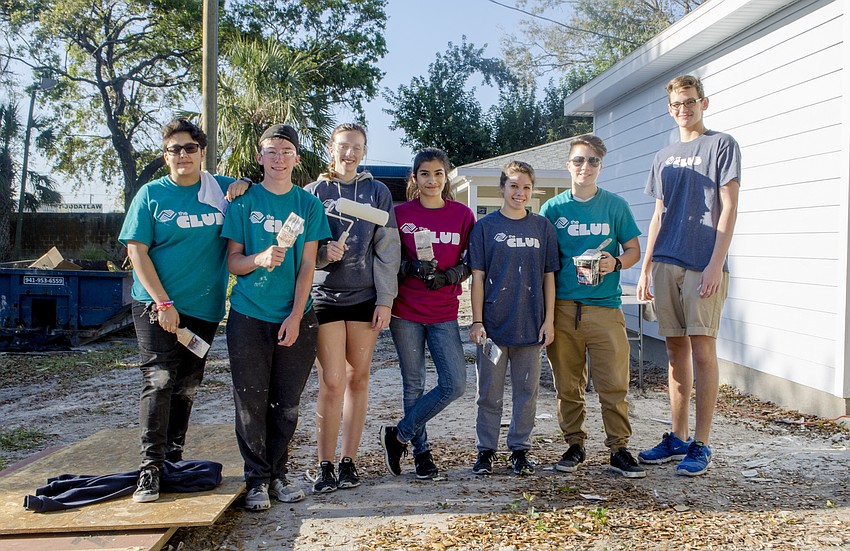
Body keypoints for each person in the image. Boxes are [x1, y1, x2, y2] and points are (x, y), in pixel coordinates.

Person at [119, 118, 250, 503]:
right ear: (165, 155)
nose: (182, 155)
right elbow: (136, 251)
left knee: (188, 385)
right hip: (155, 306)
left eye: (190, 148)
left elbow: (258, 198)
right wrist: (163, 303)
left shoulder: (220, 189)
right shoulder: (151, 194)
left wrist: (244, 186)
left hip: (204, 311)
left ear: (201, 152)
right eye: (174, 149)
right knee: (159, 379)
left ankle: (173, 459)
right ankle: (150, 467)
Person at [221, 124, 331, 510]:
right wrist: (259, 259)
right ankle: (255, 482)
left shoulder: (307, 205)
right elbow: (233, 262)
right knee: (251, 402)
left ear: (296, 158)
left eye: (286, 152)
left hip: (295, 317)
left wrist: (297, 316)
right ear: (259, 157)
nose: (279, 158)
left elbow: (307, 266)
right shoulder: (243, 202)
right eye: (271, 151)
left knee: (286, 404)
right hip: (249, 315)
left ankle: (279, 476)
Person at [637, 74, 741, 476]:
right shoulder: (663, 156)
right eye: (678, 104)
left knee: (702, 351)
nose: (684, 109)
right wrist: (646, 268)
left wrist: (716, 262)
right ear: (670, 109)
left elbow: (729, 208)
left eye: (691, 102)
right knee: (675, 352)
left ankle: (702, 444)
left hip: (703, 263)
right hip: (666, 261)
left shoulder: (721, 145)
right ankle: (677, 437)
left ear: (704, 103)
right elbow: (658, 215)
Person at [539, 134, 644, 478]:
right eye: (580, 160)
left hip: (604, 308)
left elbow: (633, 250)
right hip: (565, 308)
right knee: (568, 384)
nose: (586, 166)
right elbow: (544, 262)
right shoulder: (553, 210)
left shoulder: (615, 206)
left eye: (593, 161)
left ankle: (619, 448)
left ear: (601, 166)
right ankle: (574, 444)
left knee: (614, 383)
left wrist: (616, 262)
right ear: (569, 165)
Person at [305, 123, 400, 492]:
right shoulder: (314, 192)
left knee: (358, 380)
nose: (350, 153)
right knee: (332, 381)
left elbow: (388, 251)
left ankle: (349, 462)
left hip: (364, 298)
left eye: (357, 147)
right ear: (332, 149)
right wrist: (324, 255)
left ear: (364, 151)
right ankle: (324, 463)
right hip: (324, 298)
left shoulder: (377, 193)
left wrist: (385, 299)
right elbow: (299, 249)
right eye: (343, 146)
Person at [379, 148, 475, 479]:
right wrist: (409, 267)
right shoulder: (399, 213)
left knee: (455, 383)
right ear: (414, 178)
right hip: (405, 311)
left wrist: (449, 276)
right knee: (414, 383)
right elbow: (385, 257)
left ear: (446, 176)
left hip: (444, 311)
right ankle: (421, 452)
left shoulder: (462, 215)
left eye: (437, 173)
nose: (431, 180)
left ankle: (399, 434)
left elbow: (471, 261)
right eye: (424, 174)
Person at [467, 161, 559, 476]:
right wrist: (477, 321)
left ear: (532, 191)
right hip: (493, 325)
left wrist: (549, 320)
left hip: (530, 324)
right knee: (488, 395)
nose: (520, 193)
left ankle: (519, 450)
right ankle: (486, 451)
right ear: (502, 188)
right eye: (514, 186)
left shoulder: (542, 227)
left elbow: (549, 276)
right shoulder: (485, 228)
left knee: (526, 393)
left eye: (526, 187)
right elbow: (477, 277)